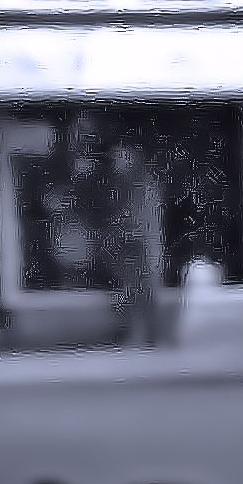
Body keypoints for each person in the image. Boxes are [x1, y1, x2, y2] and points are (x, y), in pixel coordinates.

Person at [106, 139, 164, 347]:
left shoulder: (141, 185)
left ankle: (148, 335)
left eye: (119, 158)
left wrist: (125, 229)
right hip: (134, 246)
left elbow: (142, 219)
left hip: (143, 246)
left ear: (130, 159)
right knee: (131, 290)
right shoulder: (124, 185)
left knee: (144, 291)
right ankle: (137, 334)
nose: (115, 163)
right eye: (114, 158)